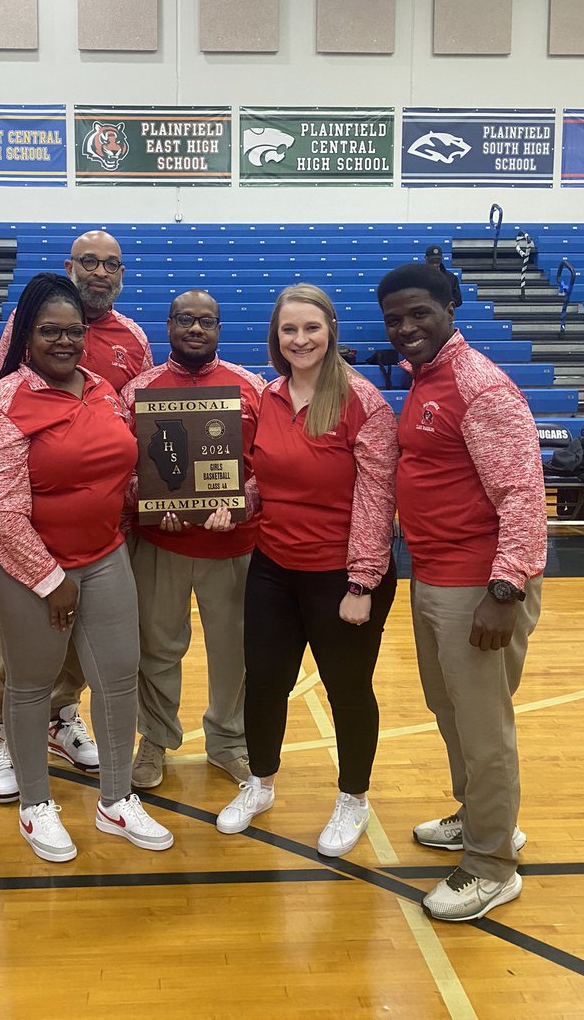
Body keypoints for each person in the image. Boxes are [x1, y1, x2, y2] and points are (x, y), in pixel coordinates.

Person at [0, 273, 172, 862]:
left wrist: (164, 500)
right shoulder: (4, 404)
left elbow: (118, 472)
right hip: (27, 564)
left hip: (105, 553)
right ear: (26, 338)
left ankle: (116, 799)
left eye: (73, 331)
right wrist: (49, 579)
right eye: (49, 331)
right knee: (31, 683)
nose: (64, 341)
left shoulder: (103, 391)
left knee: (117, 676)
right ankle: (36, 806)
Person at [377, 263, 545, 923]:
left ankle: (490, 865)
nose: (406, 328)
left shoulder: (479, 385)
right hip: (436, 573)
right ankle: (481, 817)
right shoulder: (427, 379)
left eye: (419, 313)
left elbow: (524, 492)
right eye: (395, 319)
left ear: (451, 305)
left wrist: (504, 590)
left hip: (480, 583)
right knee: (450, 710)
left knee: (482, 728)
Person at [216, 284, 398, 858]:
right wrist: (235, 503)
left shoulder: (363, 402)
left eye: (311, 328)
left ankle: (353, 797)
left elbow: (377, 498)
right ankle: (261, 782)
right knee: (266, 681)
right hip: (273, 566)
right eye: (289, 329)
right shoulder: (267, 397)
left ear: (331, 331)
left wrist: (362, 583)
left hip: (341, 575)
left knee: (348, 690)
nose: (300, 339)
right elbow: (262, 481)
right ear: (276, 335)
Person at [120, 290, 265, 790]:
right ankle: (155, 739)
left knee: (237, 651)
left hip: (235, 544)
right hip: (161, 543)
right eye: (186, 319)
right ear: (169, 325)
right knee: (157, 648)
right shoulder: (138, 390)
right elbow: (123, 468)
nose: (196, 329)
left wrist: (240, 502)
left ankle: (228, 741)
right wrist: (154, 502)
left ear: (220, 328)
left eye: (207, 321)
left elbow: (269, 463)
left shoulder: (252, 388)